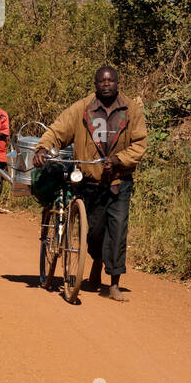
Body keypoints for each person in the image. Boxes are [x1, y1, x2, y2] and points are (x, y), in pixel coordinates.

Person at [32, 66, 146, 302]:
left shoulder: (131, 110)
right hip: (90, 183)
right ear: (95, 84)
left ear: (117, 83)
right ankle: (95, 261)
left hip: (118, 182)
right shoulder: (82, 108)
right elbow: (59, 129)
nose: (106, 84)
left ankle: (114, 284)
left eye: (110, 81)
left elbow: (139, 144)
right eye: (102, 81)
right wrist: (43, 147)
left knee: (118, 231)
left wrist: (118, 160)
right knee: (93, 233)